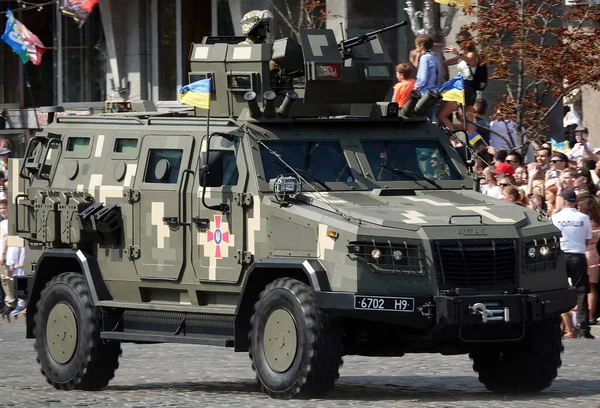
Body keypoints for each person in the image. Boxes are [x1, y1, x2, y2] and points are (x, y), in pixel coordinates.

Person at [552, 189, 594, 338]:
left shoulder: (555, 217)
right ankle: (583, 328)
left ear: (563, 201)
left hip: (561, 255)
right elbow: (588, 240)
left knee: (558, 290)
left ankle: (556, 326)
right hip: (578, 255)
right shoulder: (583, 218)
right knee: (581, 292)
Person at [438, 29, 479, 128]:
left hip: (464, 88)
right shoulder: (462, 56)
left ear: (468, 41)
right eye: (458, 42)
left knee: (442, 115)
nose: (460, 44)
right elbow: (446, 63)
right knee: (469, 119)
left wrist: (457, 53)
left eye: (462, 41)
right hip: (465, 88)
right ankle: (474, 141)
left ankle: (454, 141)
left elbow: (469, 59)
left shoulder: (472, 54)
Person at [577, 192, 600, 325]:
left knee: (589, 287)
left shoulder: (587, 223)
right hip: (594, 254)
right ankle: (590, 314)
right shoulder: (596, 221)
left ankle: (590, 314)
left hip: (587, 255)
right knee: (591, 286)